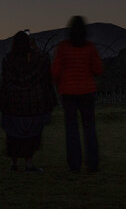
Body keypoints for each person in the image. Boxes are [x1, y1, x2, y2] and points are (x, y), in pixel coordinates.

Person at [0, 31, 56, 172]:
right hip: (32, 105)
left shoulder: (7, 60)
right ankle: (28, 163)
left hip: (13, 104)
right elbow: (45, 61)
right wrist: (35, 47)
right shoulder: (37, 60)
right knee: (32, 135)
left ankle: (13, 162)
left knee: (13, 134)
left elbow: (5, 80)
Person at [52, 16, 103, 172]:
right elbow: (98, 69)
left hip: (68, 92)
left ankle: (74, 164)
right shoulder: (89, 48)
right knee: (89, 129)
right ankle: (92, 163)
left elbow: (55, 71)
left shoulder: (63, 48)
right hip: (87, 91)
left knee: (71, 129)